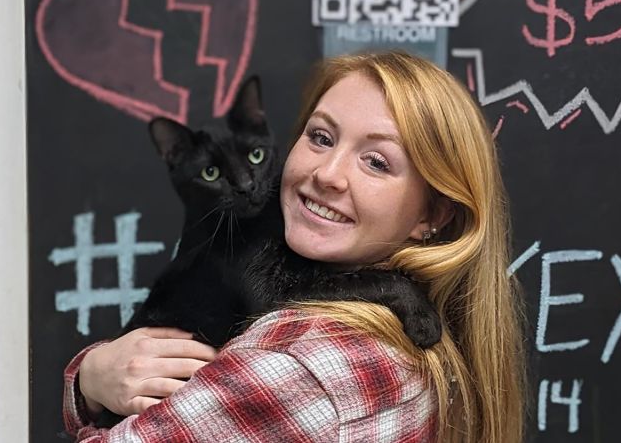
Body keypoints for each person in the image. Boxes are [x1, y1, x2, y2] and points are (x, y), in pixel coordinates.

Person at [63, 51, 527, 442]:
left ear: (432, 215)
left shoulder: (303, 367)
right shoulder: (424, 338)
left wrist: (84, 380)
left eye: (377, 162)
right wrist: (93, 381)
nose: (326, 173)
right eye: (321, 137)